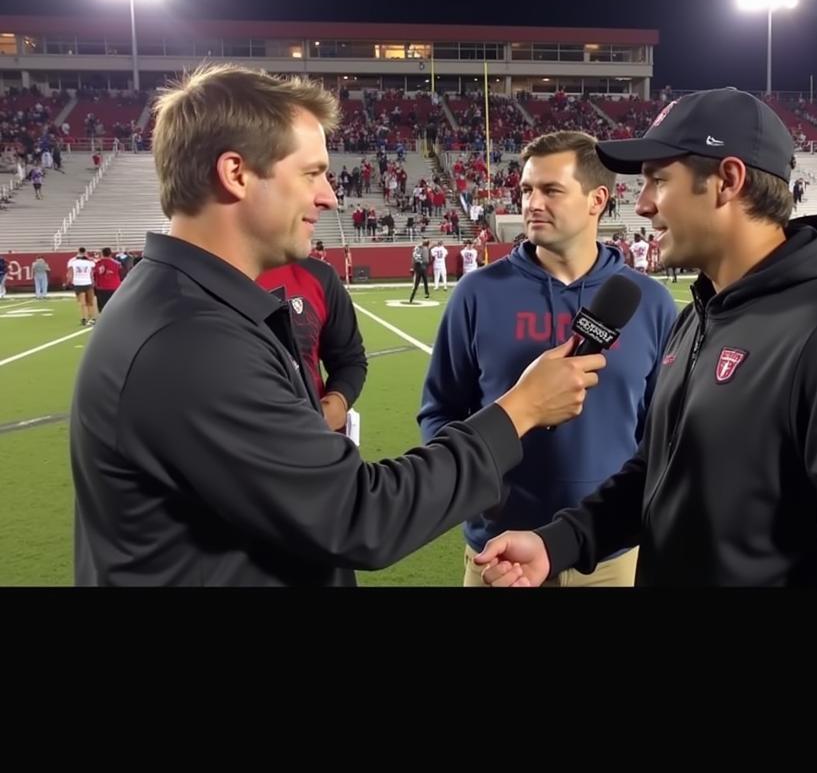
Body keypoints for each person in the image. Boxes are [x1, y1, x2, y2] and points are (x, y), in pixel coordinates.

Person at [69, 64, 606, 586]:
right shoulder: (190, 338)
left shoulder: (189, 305)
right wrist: (521, 410)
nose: (329, 195)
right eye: (311, 173)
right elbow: (359, 516)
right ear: (235, 174)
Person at [475, 88, 817, 587]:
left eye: (659, 180)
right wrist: (557, 542)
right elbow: (656, 473)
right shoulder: (700, 314)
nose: (644, 204)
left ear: (727, 181)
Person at [420, 131, 677, 587]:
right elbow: (440, 409)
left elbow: (662, 432)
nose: (531, 203)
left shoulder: (650, 302)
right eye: (525, 190)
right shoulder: (477, 293)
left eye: (551, 190)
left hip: (609, 554)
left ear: (598, 199)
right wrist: (478, 491)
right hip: (498, 552)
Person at [257, 256, 368, 431]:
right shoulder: (202, 279)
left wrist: (336, 403)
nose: (314, 226)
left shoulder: (319, 275)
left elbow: (349, 359)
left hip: (310, 440)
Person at [66, 247, 97, 326]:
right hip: (87, 282)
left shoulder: (73, 262)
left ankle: (84, 318)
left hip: (78, 283)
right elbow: (91, 274)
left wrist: (69, 282)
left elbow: (70, 274)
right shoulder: (89, 262)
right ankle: (92, 318)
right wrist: (93, 282)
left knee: (82, 303)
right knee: (90, 302)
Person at [93, 247, 123, 312]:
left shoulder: (98, 264)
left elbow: (94, 276)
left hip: (101, 288)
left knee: (103, 309)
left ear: (102, 254)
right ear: (110, 254)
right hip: (114, 288)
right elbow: (122, 275)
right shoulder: (117, 264)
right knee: (114, 307)